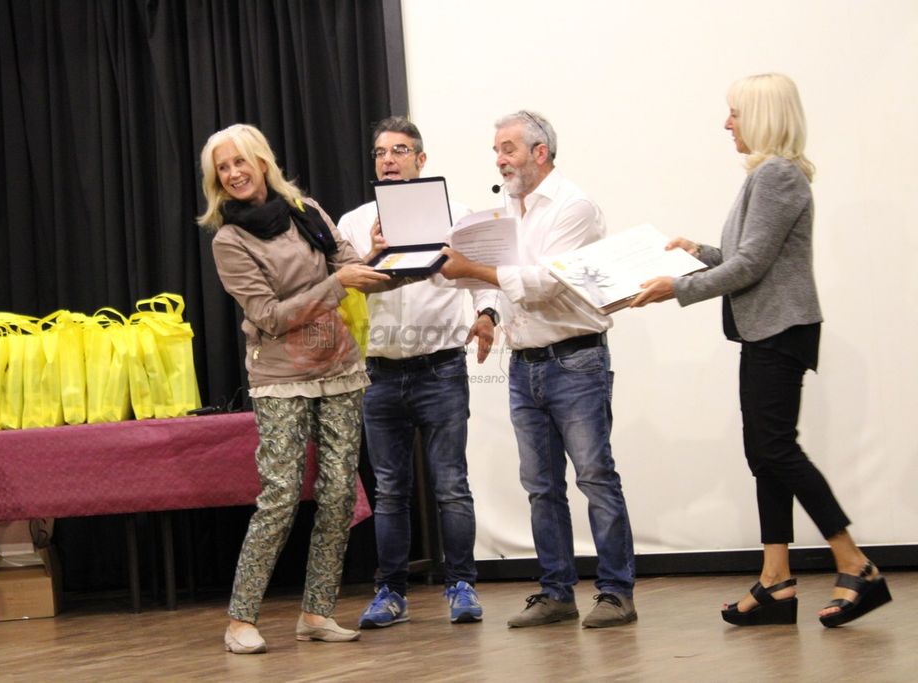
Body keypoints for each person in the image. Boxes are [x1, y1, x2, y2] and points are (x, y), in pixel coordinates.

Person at [630, 73, 892, 627]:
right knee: (764, 453)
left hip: (780, 329)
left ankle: (856, 565)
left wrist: (676, 287)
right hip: (767, 329)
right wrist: (697, 251)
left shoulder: (777, 175)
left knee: (776, 449)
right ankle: (776, 580)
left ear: (763, 116)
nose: (727, 123)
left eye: (735, 113)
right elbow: (745, 255)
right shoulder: (768, 174)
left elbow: (750, 265)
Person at [198, 123, 396, 654]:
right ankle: (240, 619)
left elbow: (349, 267)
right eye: (223, 168)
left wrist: (385, 258)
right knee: (281, 496)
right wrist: (338, 283)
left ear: (262, 162)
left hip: (339, 368)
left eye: (241, 161)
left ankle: (317, 612)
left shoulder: (306, 210)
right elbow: (268, 316)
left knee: (339, 494)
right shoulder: (229, 240)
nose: (234, 173)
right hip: (280, 378)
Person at [439, 111, 637, 629]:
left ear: (540, 152)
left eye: (508, 149)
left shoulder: (574, 207)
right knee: (541, 486)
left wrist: (473, 269)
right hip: (525, 364)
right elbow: (500, 283)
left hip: (577, 359)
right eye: (496, 150)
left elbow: (544, 282)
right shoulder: (506, 208)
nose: (499, 160)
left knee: (595, 477)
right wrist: (486, 311)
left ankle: (616, 592)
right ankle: (556, 593)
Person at [337, 116, 498, 628]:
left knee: (451, 484)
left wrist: (488, 315)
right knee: (390, 489)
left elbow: (482, 277)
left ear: (421, 160)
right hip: (379, 373)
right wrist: (372, 252)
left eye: (400, 151)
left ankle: (462, 585)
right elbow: (341, 285)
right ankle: (390, 592)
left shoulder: (459, 215)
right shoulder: (355, 222)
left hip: (440, 369)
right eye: (380, 152)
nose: (388, 160)